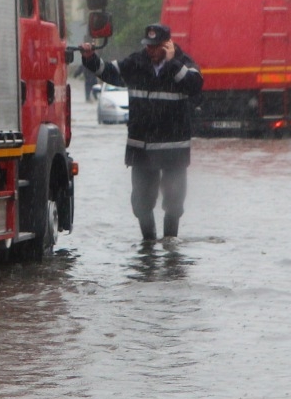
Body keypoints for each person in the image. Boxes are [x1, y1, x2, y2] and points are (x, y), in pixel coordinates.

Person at [80, 23, 203, 242]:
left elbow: (195, 85)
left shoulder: (183, 63)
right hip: (142, 150)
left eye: (155, 47)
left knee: (174, 203)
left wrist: (172, 63)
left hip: (173, 150)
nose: (150, 51)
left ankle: (170, 243)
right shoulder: (136, 63)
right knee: (141, 204)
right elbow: (109, 71)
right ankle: (148, 244)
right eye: (148, 46)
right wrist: (90, 58)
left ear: (167, 45)